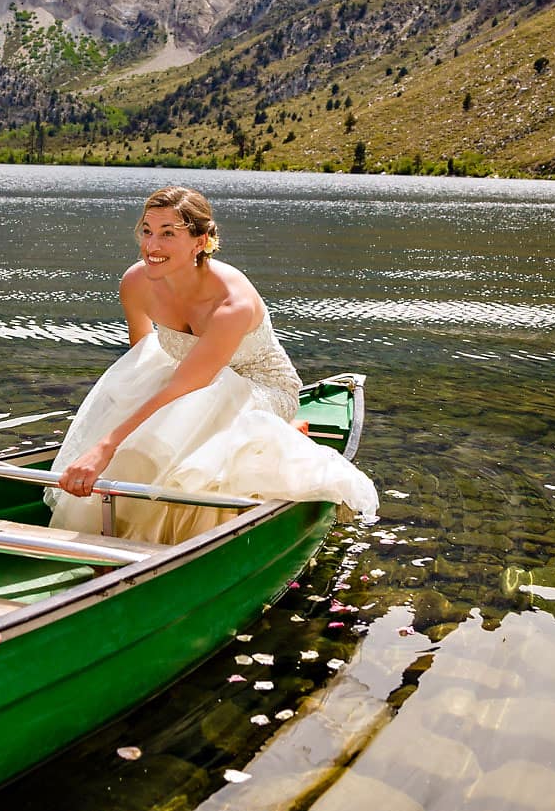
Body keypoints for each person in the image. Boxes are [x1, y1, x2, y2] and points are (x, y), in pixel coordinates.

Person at [49, 186, 377, 543]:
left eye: (168, 234)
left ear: (200, 241)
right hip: (193, 380)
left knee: (199, 401)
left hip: (261, 386)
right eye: (147, 231)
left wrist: (105, 446)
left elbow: (190, 385)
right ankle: (118, 522)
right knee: (146, 403)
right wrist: (116, 422)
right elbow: (140, 356)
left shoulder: (231, 302)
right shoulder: (135, 282)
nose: (151, 247)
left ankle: (195, 529)